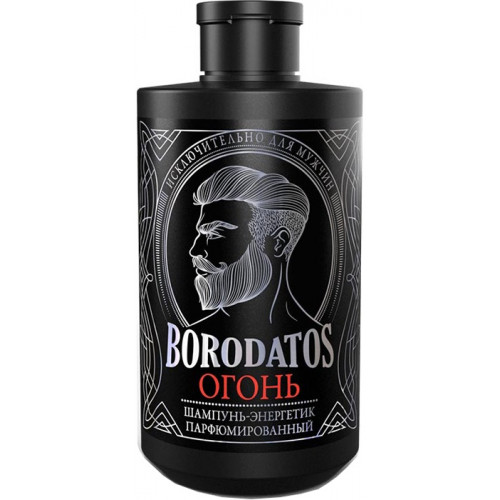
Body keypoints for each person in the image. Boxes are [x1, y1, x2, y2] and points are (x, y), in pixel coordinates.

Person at [189, 165, 319, 335]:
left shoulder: (327, 339)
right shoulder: (189, 337)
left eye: (214, 235)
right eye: (201, 234)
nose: (195, 250)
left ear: (278, 243)